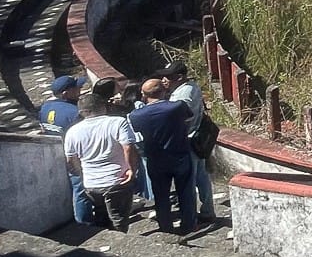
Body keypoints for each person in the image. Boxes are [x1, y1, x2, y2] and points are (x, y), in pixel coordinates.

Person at [64, 87, 140, 231]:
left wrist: (82, 174)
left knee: (101, 216)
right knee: (119, 219)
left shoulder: (72, 132)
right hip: (117, 180)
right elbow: (128, 147)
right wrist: (132, 169)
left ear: (81, 112)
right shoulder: (117, 122)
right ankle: (119, 247)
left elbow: (70, 160)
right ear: (103, 106)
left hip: (91, 184)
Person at [129, 78, 199, 235]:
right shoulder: (177, 107)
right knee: (186, 192)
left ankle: (165, 226)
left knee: (161, 194)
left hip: (156, 158)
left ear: (143, 94)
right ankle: (189, 224)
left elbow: (138, 131)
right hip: (180, 154)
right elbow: (188, 121)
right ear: (164, 90)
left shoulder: (137, 115)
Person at [158, 59, 218, 222]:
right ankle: (207, 210)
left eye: (168, 77)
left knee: (188, 182)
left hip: (187, 141)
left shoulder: (182, 96)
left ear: (179, 77)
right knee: (202, 177)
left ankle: (190, 217)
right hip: (196, 139)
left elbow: (180, 119)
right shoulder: (192, 87)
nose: (164, 80)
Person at [38, 75, 92, 225]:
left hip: (55, 153)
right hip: (74, 156)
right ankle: (84, 223)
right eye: (76, 88)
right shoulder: (75, 112)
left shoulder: (45, 107)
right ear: (65, 93)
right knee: (81, 190)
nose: (80, 90)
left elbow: (42, 128)